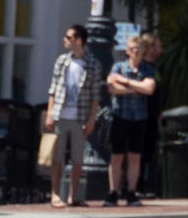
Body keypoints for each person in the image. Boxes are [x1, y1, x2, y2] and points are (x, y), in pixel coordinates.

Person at [44, 24, 105, 208]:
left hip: (80, 115)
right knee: (57, 156)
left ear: (79, 40)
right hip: (61, 114)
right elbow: (53, 89)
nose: (65, 40)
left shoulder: (93, 64)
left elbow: (96, 95)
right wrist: (50, 113)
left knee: (78, 158)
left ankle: (73, 196)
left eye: (68, 37)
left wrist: (92, 118)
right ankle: (55, 194)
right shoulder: (62, 61)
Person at [104, 33, 157, 205]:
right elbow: (112, 87)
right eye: (133, 49)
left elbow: (149, 88)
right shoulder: (118, 66)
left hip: (139, 117)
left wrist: (125, 82)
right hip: (120, 115)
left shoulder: (146, 69)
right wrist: (135, 88)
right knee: (116, 155)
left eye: (139, 48)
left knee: (135, 156)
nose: (136, 51)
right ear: (127, 51)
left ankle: (131, 192)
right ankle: (113, 191)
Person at [136, 32, 164, 198]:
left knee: (148, 151)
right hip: (143, 116)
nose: (161, 49)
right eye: (158, 45)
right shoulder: (144, 68)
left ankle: (146, 185)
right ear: (150, 47)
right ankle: (138, 185)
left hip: (153, 116)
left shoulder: (153, 68)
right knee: (141, 151)